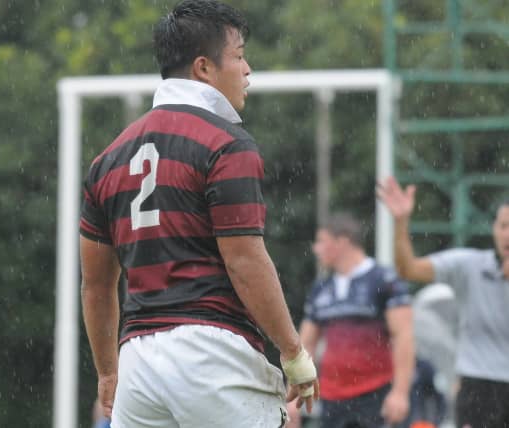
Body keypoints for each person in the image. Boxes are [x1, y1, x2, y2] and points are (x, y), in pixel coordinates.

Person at [79, 1, 319, 426]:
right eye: (240, 56)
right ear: (204, 68)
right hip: (212, 356)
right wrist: (293, 351)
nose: (248, 70)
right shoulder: (225, 143)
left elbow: (96, 285)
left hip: (137, 364)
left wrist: (108, 372)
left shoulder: (107, 160)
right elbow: (244, 261)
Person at [378, 176, 509, 428]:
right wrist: (400, 222)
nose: (507, 234)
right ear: (494, 228)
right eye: (503, 225)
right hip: (478, 385)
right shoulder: (469, 265)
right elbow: (408, 269)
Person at [293, 212, 414, 428]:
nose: (316, 249)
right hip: (332, 399)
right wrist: (294, 398)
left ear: (342, 242)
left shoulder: (384, 279)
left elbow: (404, 336)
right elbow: (305, 344)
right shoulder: (321, 288)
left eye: (321, 241)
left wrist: (400, 392)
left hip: (376, 395)